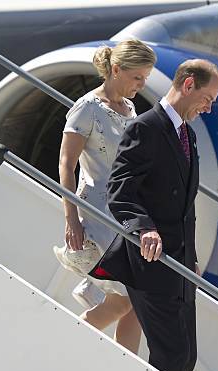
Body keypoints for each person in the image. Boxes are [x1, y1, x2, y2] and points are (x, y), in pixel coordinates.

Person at [91, 59, 218, 371]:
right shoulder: (144, 128)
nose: (208, 108)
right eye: (208, 98)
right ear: (188, 85)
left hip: (179, 264)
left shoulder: (186, 135)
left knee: (185, 356)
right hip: (150, 262)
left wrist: (190, 258)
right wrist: (143, 227)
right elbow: (120, 189)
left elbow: (181, 208)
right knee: (172, 355)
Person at [53, 39, 156, 354]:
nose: (141, 85)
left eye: (145, 78)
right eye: (137, 77)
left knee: (138, 300)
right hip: (96, 212)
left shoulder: (130, 108)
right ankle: (58, 344)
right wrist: (72, 220)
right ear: (115, 70)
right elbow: (66, 166)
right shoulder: (87, 108)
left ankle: (128, 368)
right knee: (124, 299)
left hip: (125, 214)